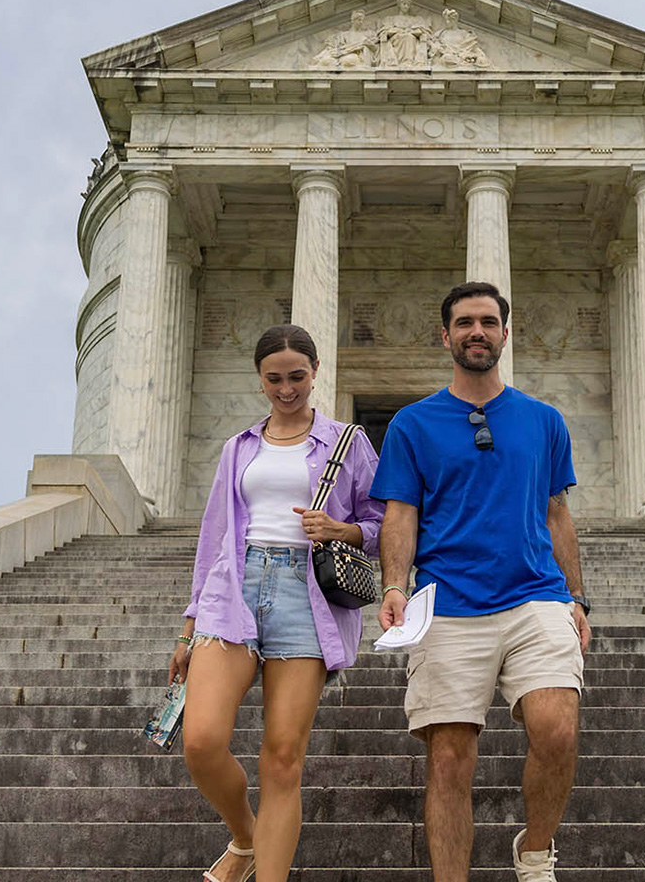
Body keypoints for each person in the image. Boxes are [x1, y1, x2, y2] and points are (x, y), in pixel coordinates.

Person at [372, 281, 591, 882]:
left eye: (488, 322)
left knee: (557, 729)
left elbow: (557, 513)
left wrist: (576, 597)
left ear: (504, 333)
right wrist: (394, 586)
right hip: (447, 601)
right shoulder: (412, 424)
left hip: (536, 595)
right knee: (449, 758)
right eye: (465, 323)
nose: (477, 332)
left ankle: (535, 852)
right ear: (445, 335)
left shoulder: (544, 420)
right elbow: (400, 514)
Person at [170, 324, 384, 882]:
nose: (286, 389)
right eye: (274, 379)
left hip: (306, 595)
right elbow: (214, 535)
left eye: (297, 377)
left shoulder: (347, 442)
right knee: (201, 741)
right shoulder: (238, 447)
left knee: (283, 758)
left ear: (315, 373)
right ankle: (245, 839)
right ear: (260, 379)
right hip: (234, 589)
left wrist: (340, 528)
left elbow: (383, 523)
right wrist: (189, 626)